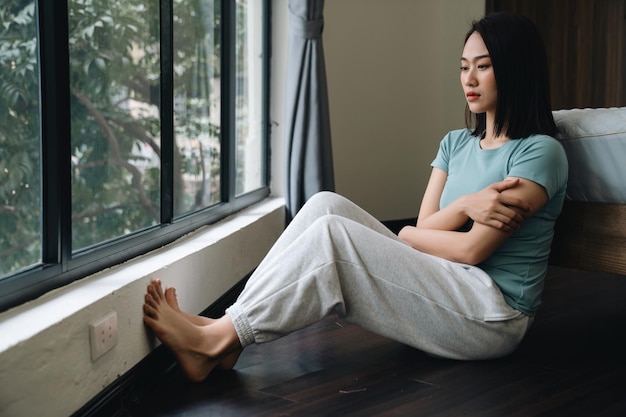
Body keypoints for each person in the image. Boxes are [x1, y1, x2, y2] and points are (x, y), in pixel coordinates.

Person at [143, 12, 568, 383]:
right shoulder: (456, 143)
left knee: (333, 238)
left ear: (514, 69)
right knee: (324, 204)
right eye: (463, 67)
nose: (468, 80)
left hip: (490, 313)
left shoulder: (539, 152)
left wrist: (411, 236)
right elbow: (426, 227)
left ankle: (215, 339)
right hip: (442, 276)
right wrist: (463, 207)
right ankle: (228, 335)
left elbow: (471, 249)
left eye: (484, 66)